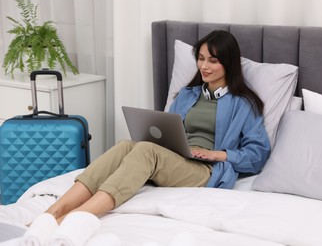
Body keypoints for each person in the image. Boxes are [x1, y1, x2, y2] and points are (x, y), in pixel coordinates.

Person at [45, 30, 271, 223]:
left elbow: (258, 155)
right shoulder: (187, 94)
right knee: (126, 145)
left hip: (206, 170)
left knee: (146, 150)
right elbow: (168, 130)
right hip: (177, 158)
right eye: (201, 58)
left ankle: (76, 217)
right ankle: (53, 212)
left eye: (213, 60)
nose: (204, 66)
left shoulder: (244, 104)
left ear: (228, 64)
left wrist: (217, 154)